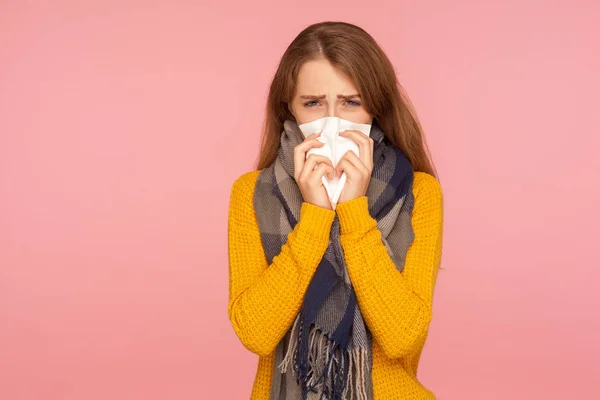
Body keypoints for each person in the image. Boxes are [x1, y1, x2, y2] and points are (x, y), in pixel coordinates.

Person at [227, 21, 444, 400]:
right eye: (313, 103)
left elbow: (403, 336)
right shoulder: (252, 194)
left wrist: (354, 211)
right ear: (289, 109)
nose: (332, 120)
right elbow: (256, 332)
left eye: (351, 102)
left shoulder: (418, 194)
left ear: (375, 107)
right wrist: (315, 216)